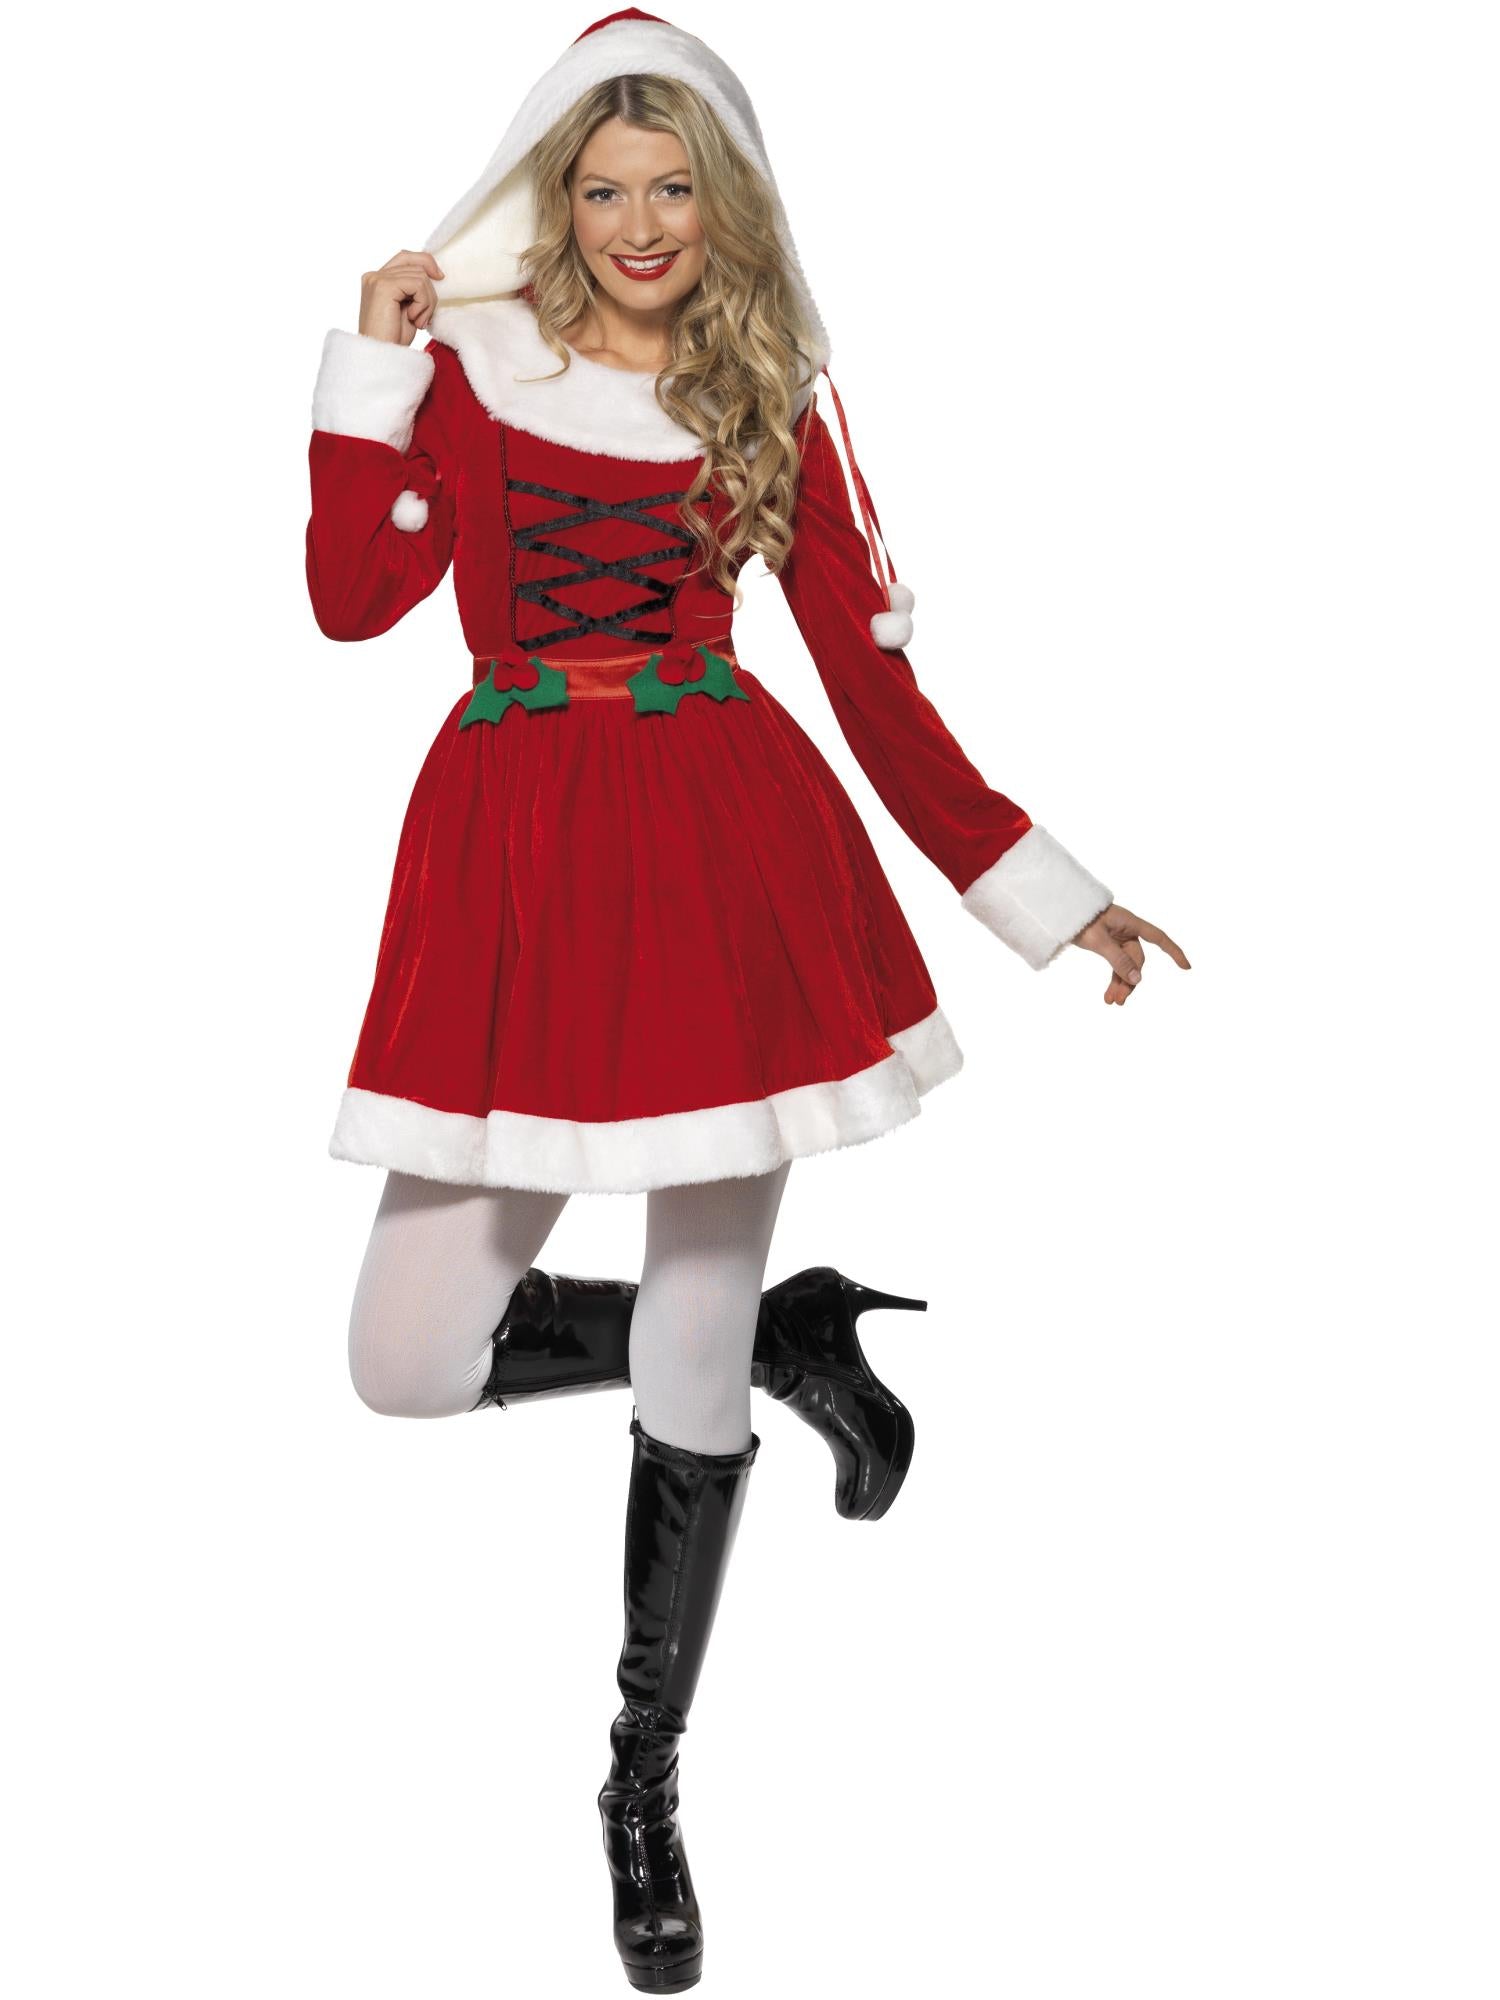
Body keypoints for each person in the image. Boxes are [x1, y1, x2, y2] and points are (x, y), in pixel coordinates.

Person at [304, 10, 1190, 1988]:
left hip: (722, 854)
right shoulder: (467, 366)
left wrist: (1051, 898)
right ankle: (793, 1333)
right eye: (603, 190)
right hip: (516, 861)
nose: (639, 225)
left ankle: (643, 1777)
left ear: (728, 206)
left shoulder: (767, 389)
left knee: (688, 1347)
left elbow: (872, 686)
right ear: (553, 200)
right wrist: (368, 369)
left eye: (675, 190)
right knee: (404, 1360)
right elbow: (352, 603)